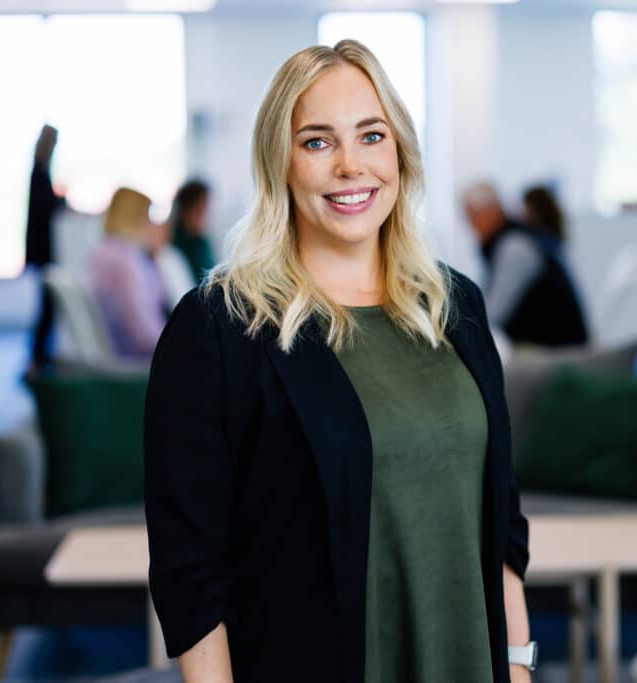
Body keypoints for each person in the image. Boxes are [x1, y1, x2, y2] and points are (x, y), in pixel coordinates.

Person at [144, 40, 534, 683]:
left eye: (371, 135)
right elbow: (192, 574)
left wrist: (518, 669)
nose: (351, 165)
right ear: (281, 162)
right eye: (318, 142)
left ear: (400, 153)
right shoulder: (220, 327)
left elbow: (502, 521)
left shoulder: (454, 303)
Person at [464, 182, 589, 348]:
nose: (470, 226)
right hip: (552, 344)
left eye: (473, 216)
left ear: (492, 212)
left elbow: (494, 314)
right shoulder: (516, 240)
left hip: (553, 350)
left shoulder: (515, 247)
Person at [89, 187, 168, 359]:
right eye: (147, 216)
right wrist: (180, 344)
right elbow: (142, 331)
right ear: (134, 217)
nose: (151, 224)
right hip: (135, 359)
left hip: (120, 351)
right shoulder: (125, 260)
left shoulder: (105, 250)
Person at [25, 124, 66, 369]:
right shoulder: (39, 173)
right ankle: (38, 356)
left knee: (46, 305)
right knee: (46, 306)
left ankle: (40, 354)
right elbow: (45, 207)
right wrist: (61, 201)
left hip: (42, 250)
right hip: (43, 251)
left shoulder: (40, 172)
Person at [170, 178, 215, 283]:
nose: (206, 215)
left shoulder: (201, 241)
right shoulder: (174, 244)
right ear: (186, 209)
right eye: (200, 210)